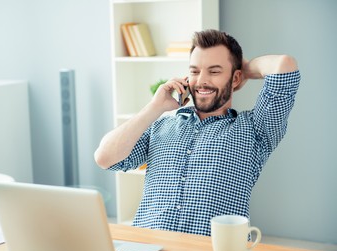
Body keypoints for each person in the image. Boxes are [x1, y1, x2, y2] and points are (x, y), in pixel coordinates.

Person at [94, 29, 300, 236]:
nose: (201, 80)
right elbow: (105, 158)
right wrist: (154, 107)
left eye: (214, 71)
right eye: (194, 71)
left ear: (235, 78)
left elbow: (284, 66)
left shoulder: (255, 129)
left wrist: (243, 70)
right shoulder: (161, 127)